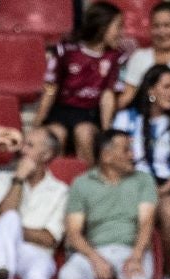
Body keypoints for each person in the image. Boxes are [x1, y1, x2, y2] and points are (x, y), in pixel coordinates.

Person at [113, 64, 170, 278]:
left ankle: (168, 277)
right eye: (166, 87)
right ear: (151, 90)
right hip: (130, 181)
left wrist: (159, 192)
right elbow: (114, 157)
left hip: (166, 186)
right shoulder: (126, 118)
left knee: (169, 211)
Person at [60, 129, 159, 279]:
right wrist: (95, 258)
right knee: (68, 275)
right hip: (94, 251)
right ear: (106, 156)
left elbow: (146, 223)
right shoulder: (81, 184)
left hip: (132, 250)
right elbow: (73, 232)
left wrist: (136, 257)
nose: (132, 155)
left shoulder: (144, 180)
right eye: (126, 150)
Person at [0, 130, 69, 279]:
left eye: (30, 146)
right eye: (23, 144)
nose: (22, 150)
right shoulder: (2, 179)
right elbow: (6, 212)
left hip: (36, 253)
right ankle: (2, 268)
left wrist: (8, 228)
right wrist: (19, 178)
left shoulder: (61, 191)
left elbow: (49, 239)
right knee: (11, 216)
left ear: (46, 154)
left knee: (39, 274)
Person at [38, 2, 124, 164]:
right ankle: (58, 184)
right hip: (61, 112)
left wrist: (106, 131)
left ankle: (89, 184)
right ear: (102, 26)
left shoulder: (115, 57)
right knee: (55, 135)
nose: (121, 33)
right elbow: (51, 88)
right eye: (118, 27)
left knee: (83, 133)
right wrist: (38, 122)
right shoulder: (67, 50)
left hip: (90, 114)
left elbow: (107, 95)